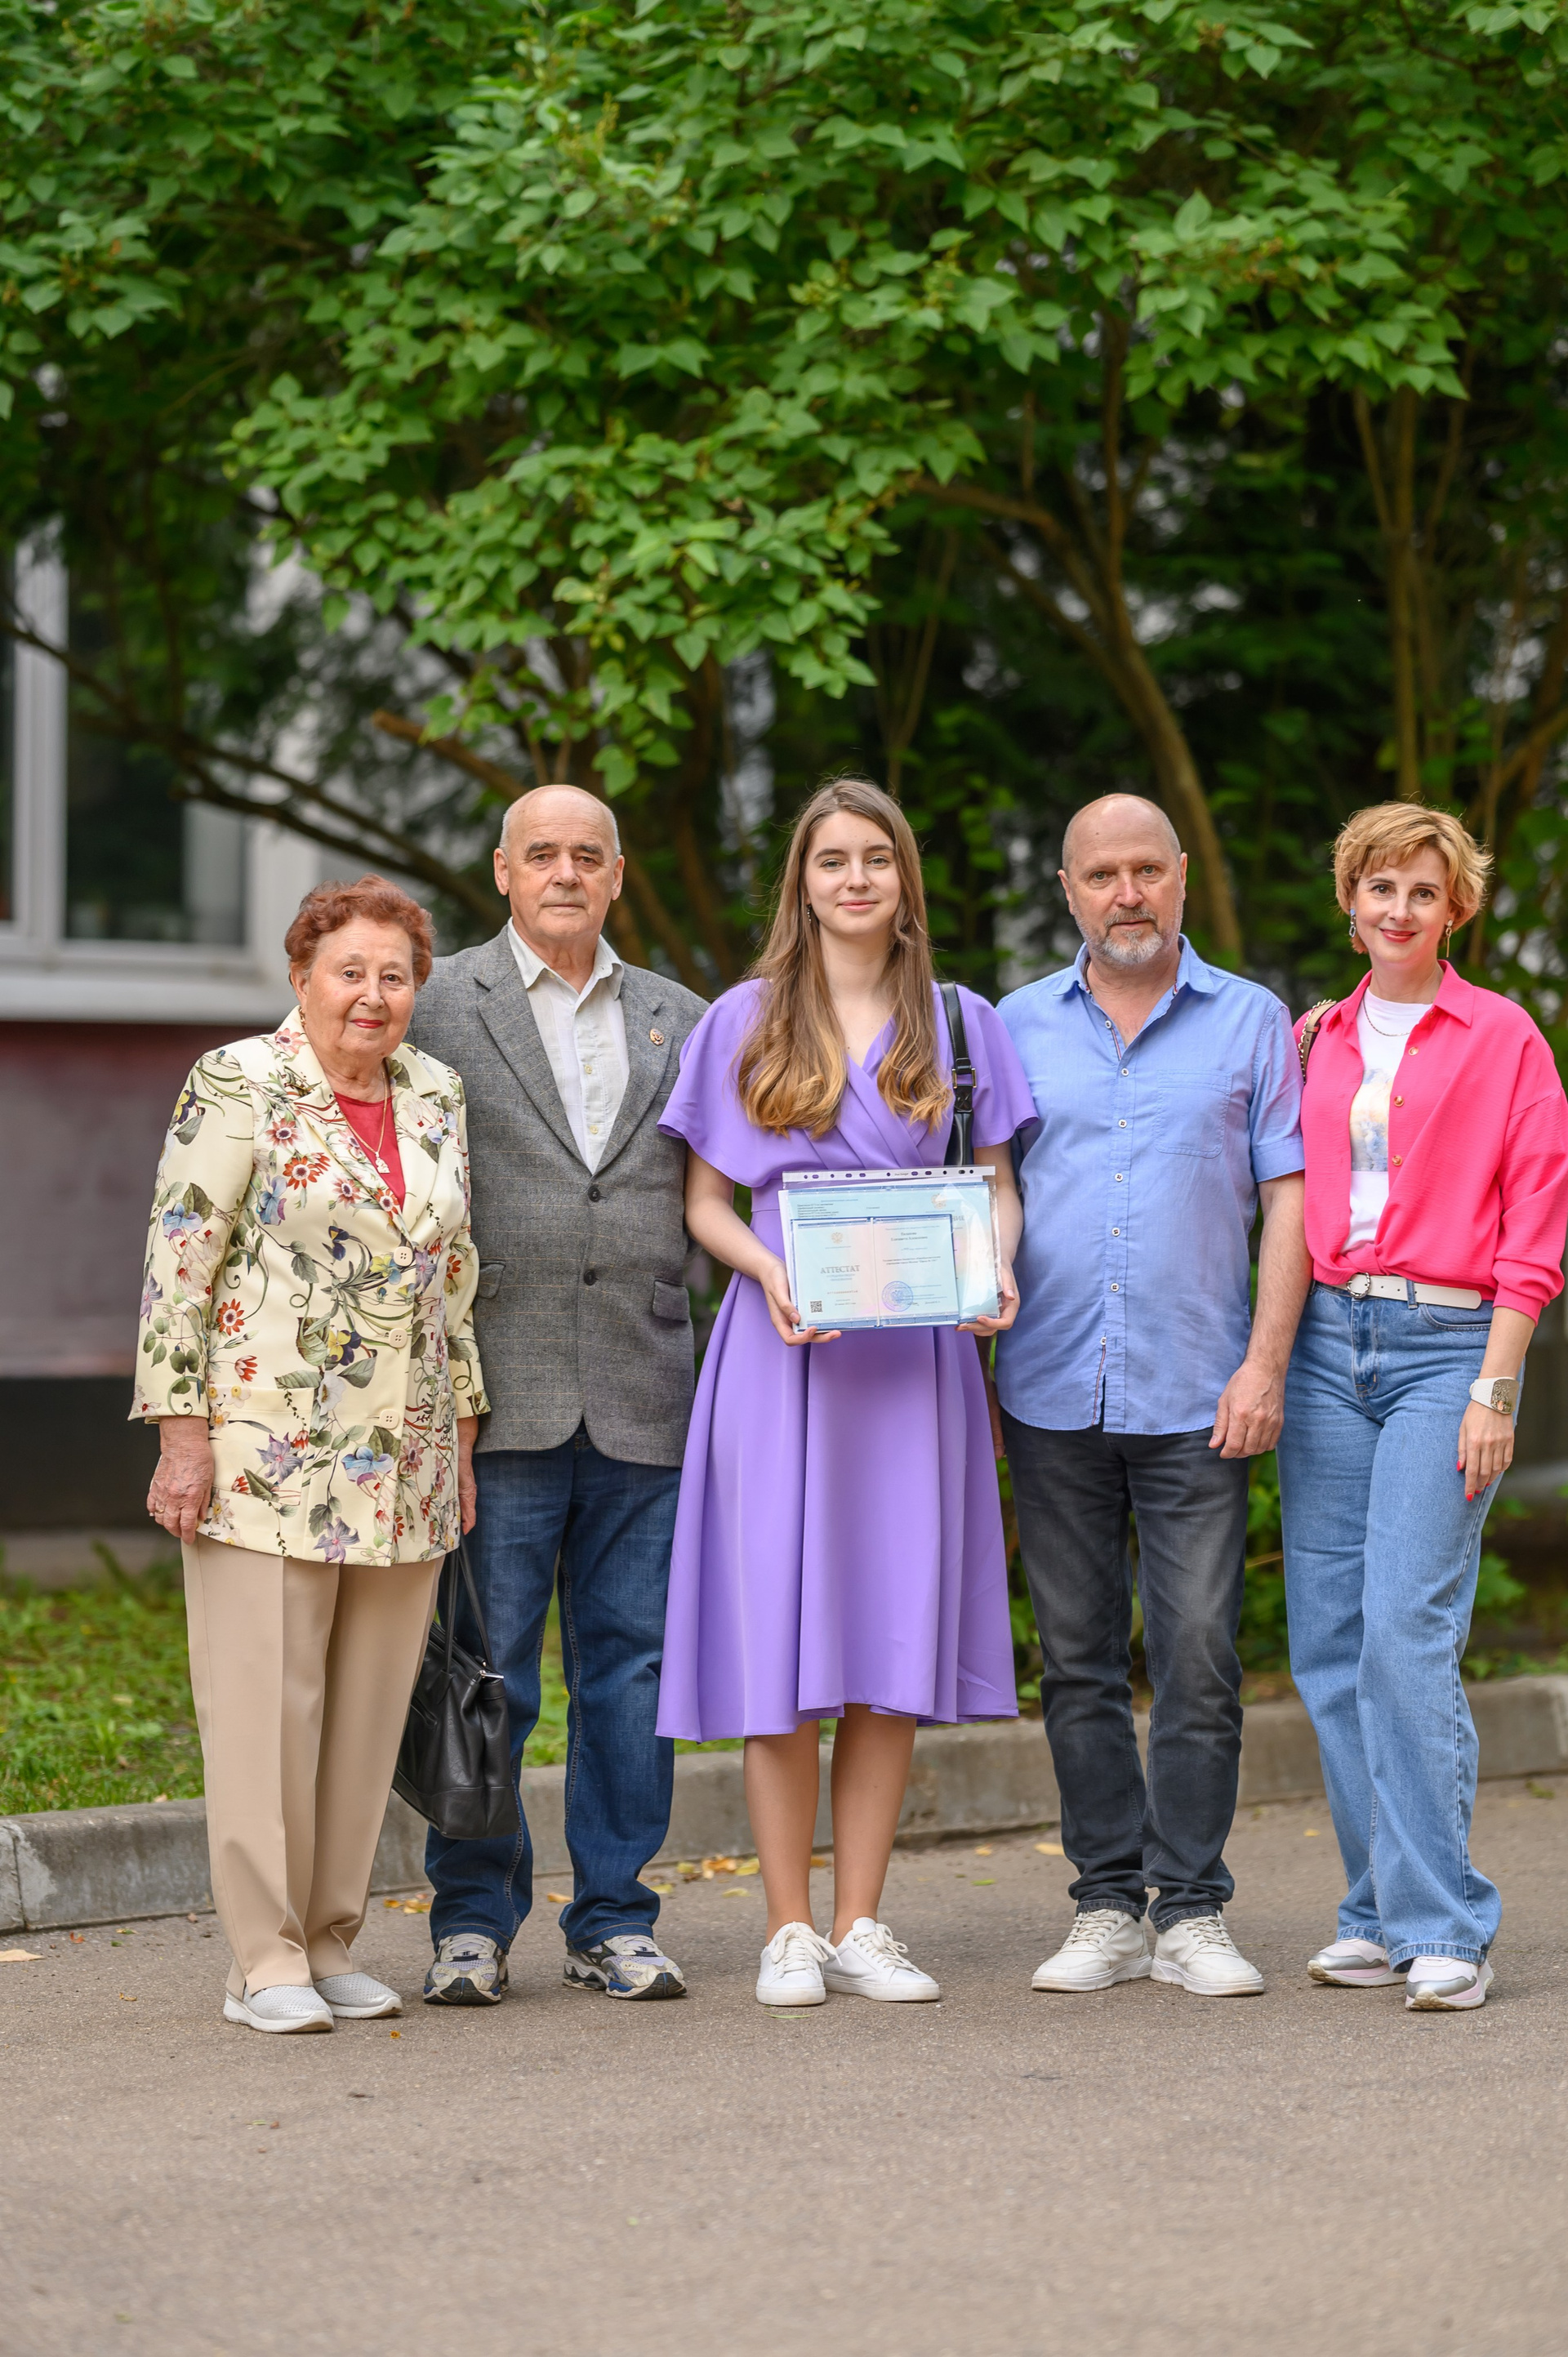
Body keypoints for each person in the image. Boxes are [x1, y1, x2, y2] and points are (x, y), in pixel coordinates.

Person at [657, 776, 1035, 2007]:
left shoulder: (964, 1021)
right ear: (803, 882)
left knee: (888, 1634)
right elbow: (706, 1202)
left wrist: (996, 1269)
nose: (856, 878)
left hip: (915, 1364)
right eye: (833, 860)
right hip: (786, 1351)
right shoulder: (744, 1017)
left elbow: (994, 1184)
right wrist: (769, 1269)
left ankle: (863, 1921)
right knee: (782, 1632)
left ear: (904, 876)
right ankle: (786, 1929)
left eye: (877, 856)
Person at [136, 876, 488, 2034]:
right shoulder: (238, 1080)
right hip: (266, 1451)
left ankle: (331, 1938)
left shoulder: (435, 1092)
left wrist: (462, 1434)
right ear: (301, 977)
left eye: (395, 975)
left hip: (407, 1456)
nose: (372, 995)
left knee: (367, 1713)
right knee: (264, 1709)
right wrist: (181, 1435)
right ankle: (264, 1956)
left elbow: (455, 1276)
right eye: (349, 972)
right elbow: (179, 1262)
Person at [997, 794, 1310, 1998]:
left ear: (1180, 874)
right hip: (1050, 1386)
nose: (1126, 893)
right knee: (1076, 1659)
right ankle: (1105, 1905)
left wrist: (1265, 1363)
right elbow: (987, 1188)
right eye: (1101, 875)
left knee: (1197, 1655)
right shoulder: (1015, 1025)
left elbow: (1287, 1201)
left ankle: (1190, 1909)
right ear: (1068, 890)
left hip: (1201, 1390)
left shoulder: (1253, 1020)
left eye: (1145, 870)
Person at [409, 786, 706, 2007]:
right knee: (489, 1675)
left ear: (619, 875)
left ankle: (615, 1917)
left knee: (632, 1674)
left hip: (646, 1388)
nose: (566, 873)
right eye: (543, 854)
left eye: (588, 854)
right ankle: (473, 1922)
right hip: (496, 1395)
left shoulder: (684, 1017)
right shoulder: (436, 1003)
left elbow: (720, 1186)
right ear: (503, 871)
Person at [1279, 803, 1568, 2012]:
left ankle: (1445, 1923)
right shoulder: (1318, 1037)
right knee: (1329, 1641)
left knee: (1405, 1628)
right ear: (1351, 901)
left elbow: (1537, 1219)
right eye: (1380, 886)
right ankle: (1373, 1909)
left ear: (1456, 910)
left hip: (1449, 1346)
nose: (1398, 908)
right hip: (1325, 1344)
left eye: (1423, 891)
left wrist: (1497, 1384)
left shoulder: (1505, 1037)